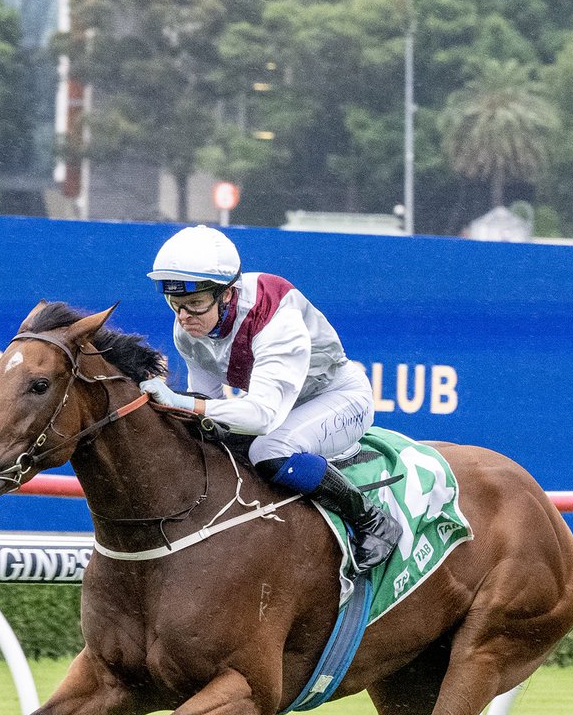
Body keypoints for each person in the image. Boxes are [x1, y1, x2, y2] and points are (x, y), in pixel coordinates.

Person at [140, 224, 402, 574]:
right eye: (175, 304)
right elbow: (207, 400)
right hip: (284, 409)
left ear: (228, 293)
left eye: (195, 304)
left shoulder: (275, 316)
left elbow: (262, 416)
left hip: (339, 397)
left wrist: (180, 402)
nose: (184, 317)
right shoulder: (188, 330)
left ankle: (372, 521)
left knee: (268, 451)